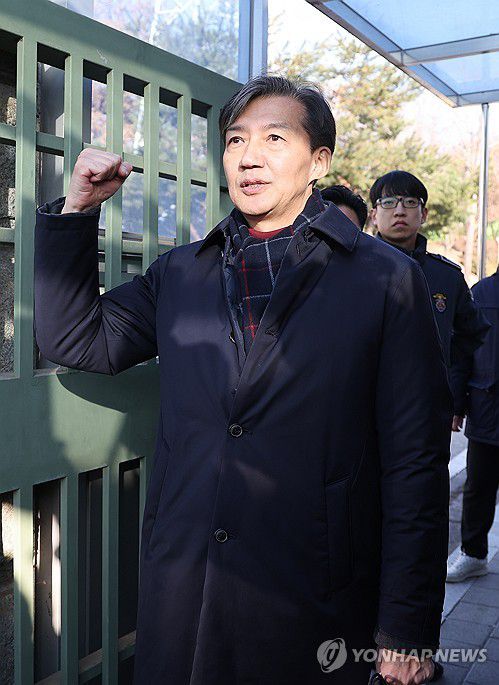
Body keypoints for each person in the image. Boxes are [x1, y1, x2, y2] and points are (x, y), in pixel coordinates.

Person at [34, 76, 451, 685]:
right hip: (186, 582)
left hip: (308, 590)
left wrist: (406, 628)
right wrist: (77, 213)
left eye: (274, 138)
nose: (249, 156)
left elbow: (416, 459)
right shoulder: (183, 272)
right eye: (235, 140)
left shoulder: (383, 279)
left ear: (319, 161)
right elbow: (75, 339)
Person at [369, 170, 490, 429]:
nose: (399, 211)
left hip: (426, 410)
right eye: (388, 202)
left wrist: (438, 362)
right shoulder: (353, 270)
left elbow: (472, 331)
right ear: (374, 215)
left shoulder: (446, 276)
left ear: (423, 214)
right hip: (365, 407)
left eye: (410, 202)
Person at [446, 266, 499, 582]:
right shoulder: (481, 293)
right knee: (478, 486)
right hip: (487, 407)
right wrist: (457, 405)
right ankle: (474, 554)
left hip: (485, 404)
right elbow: (462, 354)